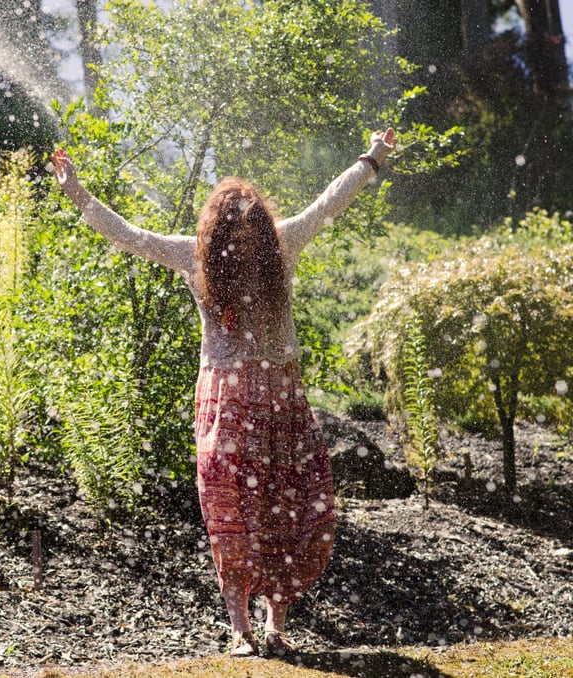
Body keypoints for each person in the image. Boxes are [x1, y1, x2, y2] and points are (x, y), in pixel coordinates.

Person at [50, 128, 396, 657]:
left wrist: (371, 159)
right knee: (228, 508)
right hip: (224, 403)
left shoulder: (284, 244)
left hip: (281, 399)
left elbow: (330, 202)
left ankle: (276, 622)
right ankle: (240, 628)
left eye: (252, 230)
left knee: (289, 503)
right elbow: (129, 234)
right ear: (216, 233)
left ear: (262, 227)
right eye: (234, 232)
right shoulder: (195, 256)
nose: (245, 241)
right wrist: (76, 192)